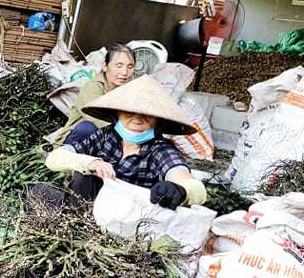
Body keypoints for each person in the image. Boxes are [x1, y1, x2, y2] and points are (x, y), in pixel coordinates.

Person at [42, 75, 206, 210]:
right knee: (49, 189)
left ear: (159, 122)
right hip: (85, 208)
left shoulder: (160, 150)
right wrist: (91, 162)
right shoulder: (107, 136)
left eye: (147, 115)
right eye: (129, 112)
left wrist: (180, 190)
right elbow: (54, 158)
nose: (137, 120)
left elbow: (194, 186)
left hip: (126, 216)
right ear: (117, 114)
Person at [56, 44, 137, 146]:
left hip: (109, 142)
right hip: (80, 139)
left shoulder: (129, 91)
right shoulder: (93, 86)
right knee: (87, 128)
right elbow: (94, 117)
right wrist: (127, 133)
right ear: (105, 66)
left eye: (130, 67)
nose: (124, 72)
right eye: (119, 66)